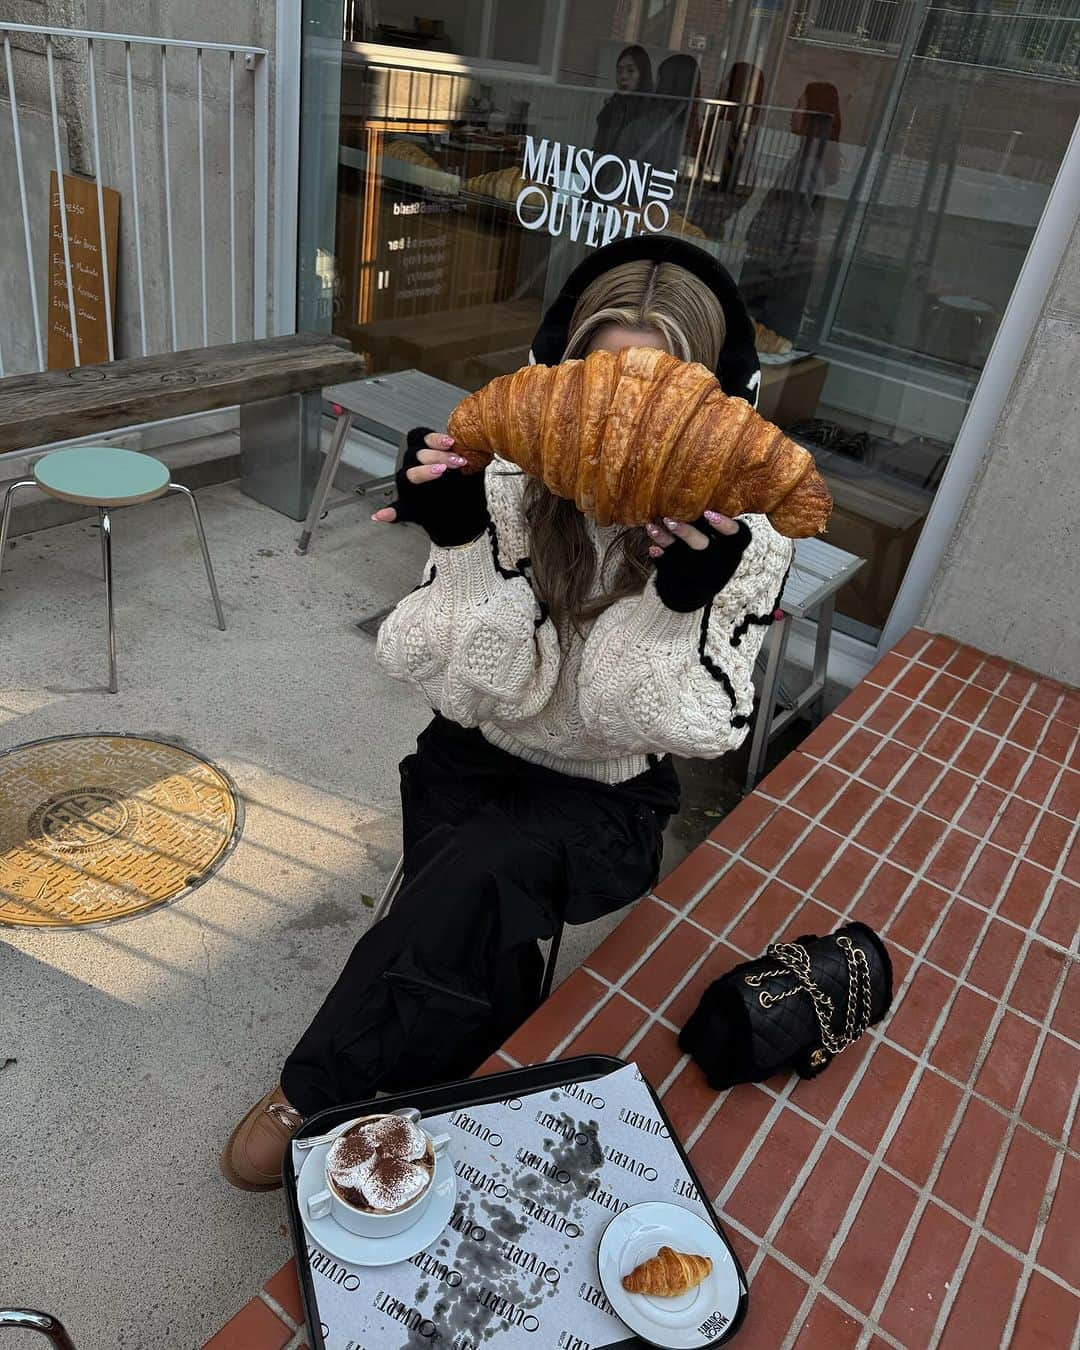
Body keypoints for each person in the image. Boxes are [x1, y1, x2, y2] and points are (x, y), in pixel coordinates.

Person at [220, 234, 793, 1191]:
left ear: (707, 399)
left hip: (608, 796)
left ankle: (311, 1093)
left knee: (471, 877)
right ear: (561, 373)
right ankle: (455, 1070)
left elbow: (670, 722)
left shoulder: (744, 532)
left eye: (657, 385)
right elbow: (451, 677)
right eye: (599, 375)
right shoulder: (509, 470)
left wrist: (676, 607)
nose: (622, 408)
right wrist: (465, 542)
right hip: (476, 744)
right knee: (459, 898)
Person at [741, 82, 842, 342]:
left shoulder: (808, 165)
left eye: (800, 105)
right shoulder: (807, 159)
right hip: (776, 275)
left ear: (813, 116)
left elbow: (793, 225)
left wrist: (765, 269)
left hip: (773, 278)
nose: (792, 111)